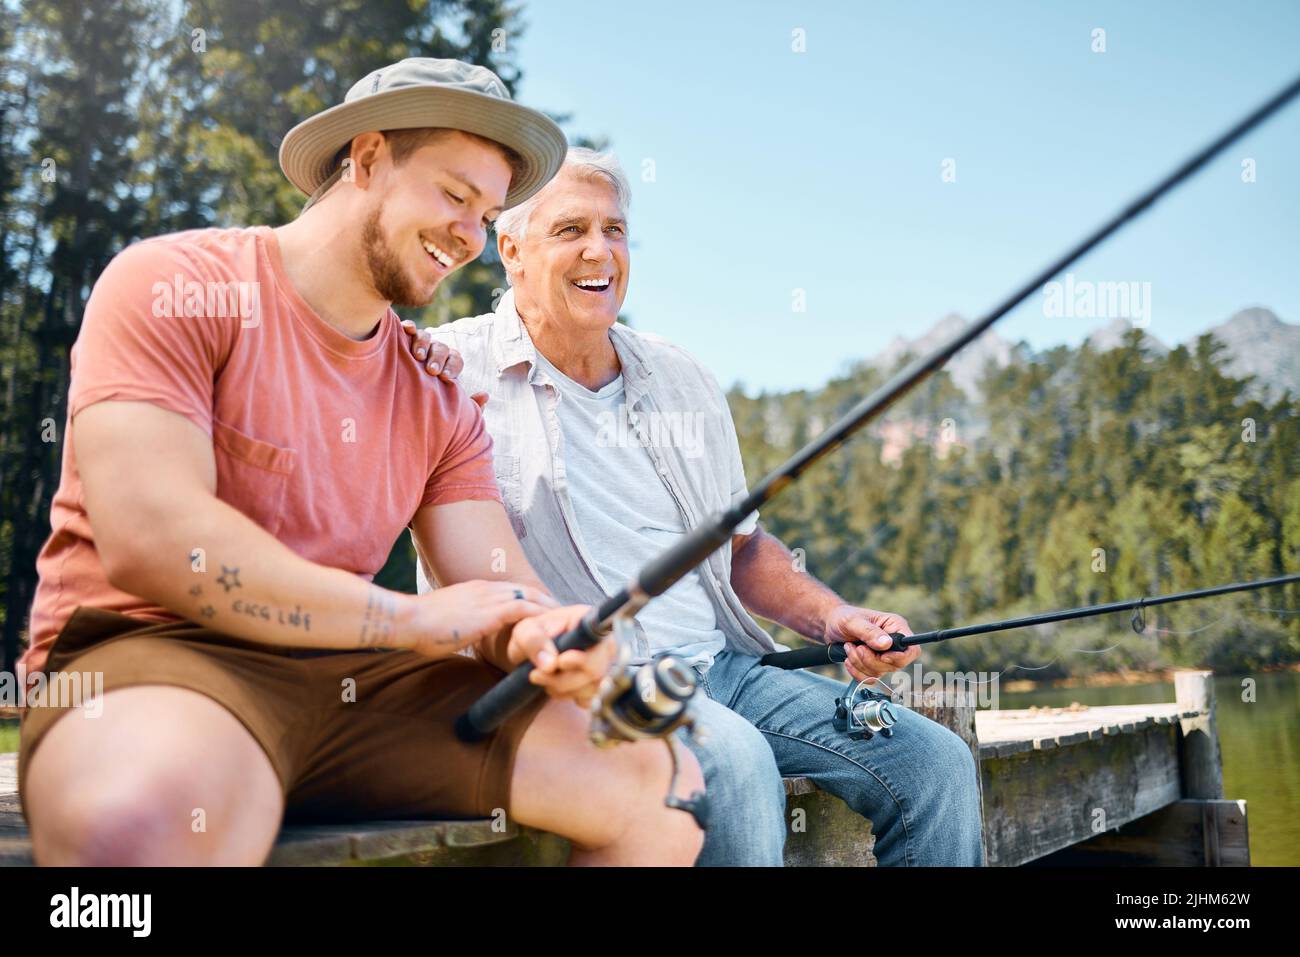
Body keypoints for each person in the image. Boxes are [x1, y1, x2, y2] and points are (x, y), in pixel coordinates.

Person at [17, 59, 704, 866]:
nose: (470, 237)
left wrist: (546, 630)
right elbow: (158, 540)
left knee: (658, 780)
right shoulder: (176, 285)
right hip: (160, 658)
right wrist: (408, 620)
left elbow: (497, 582)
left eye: (487, 214)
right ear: (369, 157)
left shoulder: (440, 401)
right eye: (455, 196)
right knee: (141, 829)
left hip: (354, 688)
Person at [404, 147, 984, 866]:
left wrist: (833, 617)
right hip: (586, 684)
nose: (600, 251)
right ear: (512, 249)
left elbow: (743, 549)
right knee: (735, 763)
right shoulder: (447, 368)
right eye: (571, 230)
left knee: (936, 764)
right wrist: (403, 380)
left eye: (614, 230)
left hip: (726, 669)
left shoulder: (681, 376)